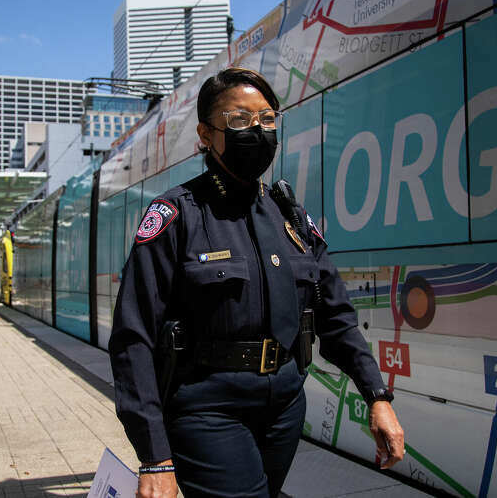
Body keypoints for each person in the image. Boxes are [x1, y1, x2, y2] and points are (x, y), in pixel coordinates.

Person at [109, 67, 404, 498]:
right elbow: (133, 337)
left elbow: (336, 316)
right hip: (206, 408)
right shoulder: (176, 215)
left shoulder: (292, 217)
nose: (258, 131)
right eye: (239, 120)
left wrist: (376, 395)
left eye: (267, 119)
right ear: (206, 135)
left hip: (284, 405)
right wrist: (155, 455)